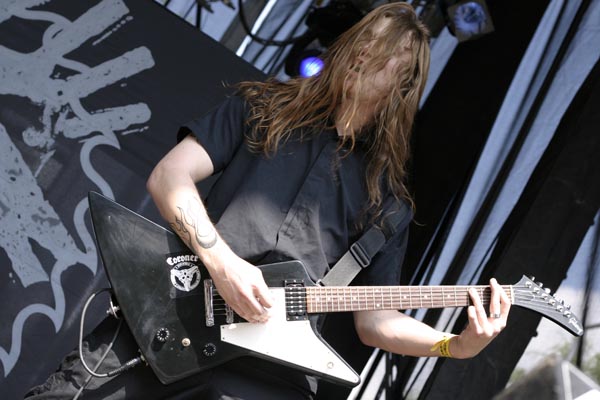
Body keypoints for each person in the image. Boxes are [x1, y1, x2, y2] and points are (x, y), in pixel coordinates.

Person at [26, 3, 510, 399]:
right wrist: (224, 266)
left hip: (271, 376)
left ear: (403, 84)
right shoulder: (261, 107)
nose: (366, 52)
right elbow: (170, 175)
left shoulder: (388, 202)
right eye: (365, 39)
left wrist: (454, 345)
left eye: (386, 51)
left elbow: (375, 321)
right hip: (168, 317)